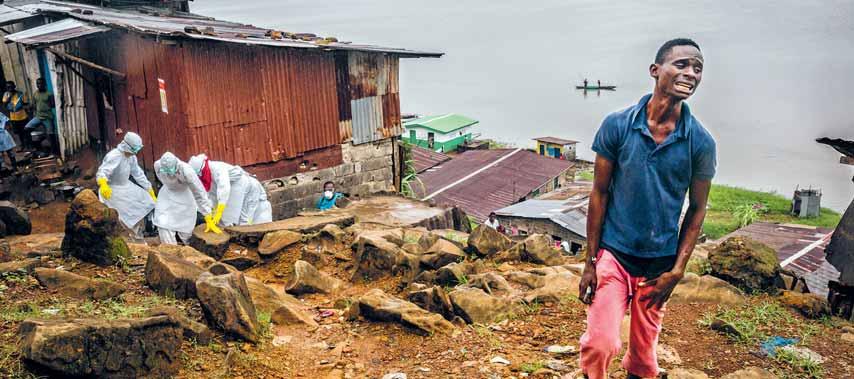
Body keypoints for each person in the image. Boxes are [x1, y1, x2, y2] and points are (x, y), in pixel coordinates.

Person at [578, 38, 716, 379]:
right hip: (615, 255)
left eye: (698, 68)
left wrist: (677, 270)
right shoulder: (618, 125)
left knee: (644, 362)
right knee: (600, 344)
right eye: (681, 64)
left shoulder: (700, 141)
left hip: (658, 266)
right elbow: (599, 193)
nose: (691, 73)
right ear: (655, 71)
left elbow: (698, 208)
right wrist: (590, 262)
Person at [97, 132, 157, 238]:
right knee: (123, 216)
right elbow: (102, 171)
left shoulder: (131, 157)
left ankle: (140, 232)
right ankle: (128, 237)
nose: (135, 152)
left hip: (126, 186)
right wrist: (103, 184)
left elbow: (137, 173)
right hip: (112, 190)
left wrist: (148, 188)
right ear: (126, 146)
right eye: (134, 149)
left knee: (147, 201)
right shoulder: (114, 156)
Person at [153, 152, 220, 244]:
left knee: (185, 227)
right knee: (163, 223)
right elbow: (162, 179)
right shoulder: (157, 165)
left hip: (185, 196)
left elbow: (199, 192)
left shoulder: (187, 171)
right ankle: (170, 251)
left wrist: (207, 214)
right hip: (167, 194)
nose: (170, 174)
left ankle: (189, 249)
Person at [188, 154, 250, 228]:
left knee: (229, 217)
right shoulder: (205, 175)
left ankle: (240, 233)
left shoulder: (217, 168)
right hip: (226, 187)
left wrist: (220, 210)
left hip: (236, 183)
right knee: (220, 217)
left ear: (202, 169)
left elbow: (224, 188)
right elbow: (210, 194)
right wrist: (212, 211)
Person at [24, 78, 55, 154]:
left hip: (47, 117)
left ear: (44, 85)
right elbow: (34, 105)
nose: (39, 85)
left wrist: (45, 108)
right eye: (38, 84)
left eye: (41, 84)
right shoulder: (35, 94)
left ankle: (54, 151)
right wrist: (29, 109)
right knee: (26, 129)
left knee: (51, 135)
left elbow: (53, 105)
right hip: (38, 117)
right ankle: (37, 147)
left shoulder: (49, 94)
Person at [2, 81, 31, 150]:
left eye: (11, 86)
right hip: (13, 118)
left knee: (26, 132)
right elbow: (4, 105)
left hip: (23, 116)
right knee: (18, 133)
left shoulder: (20, 94)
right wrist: (8, 99)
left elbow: (26, 103)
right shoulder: (6, 95)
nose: (10, 88)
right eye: (8, 87)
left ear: (14, 86)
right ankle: (23, 146)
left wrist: (27, 110)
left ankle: (29, 146)